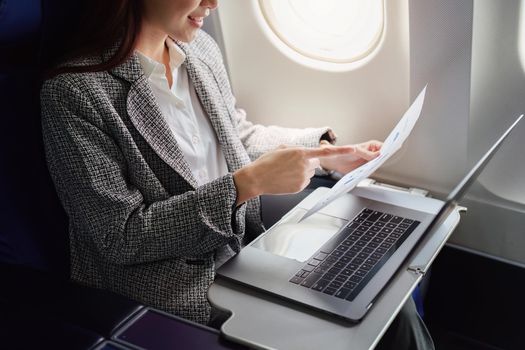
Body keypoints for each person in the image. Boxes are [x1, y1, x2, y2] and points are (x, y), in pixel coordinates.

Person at [40, 0, 434, 348]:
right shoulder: (74, 92)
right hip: (172, 286)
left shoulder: (200, 52)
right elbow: (121, 236)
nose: (213, 3)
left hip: (244, 252)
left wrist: (324, 154)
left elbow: (236, 136)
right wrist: (246, 185)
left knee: (385, 308)